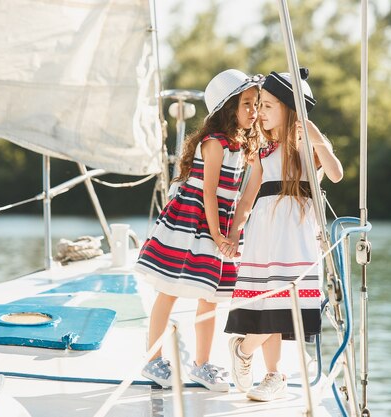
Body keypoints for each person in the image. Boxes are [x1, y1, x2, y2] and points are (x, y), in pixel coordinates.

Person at [135, 69, 261, 392]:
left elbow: (241, 193)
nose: (253, 110)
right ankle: (153, 358)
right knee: (170, 288)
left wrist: (231, 233)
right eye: (247, 104)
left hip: (217, 225)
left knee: (212, 296)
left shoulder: (242, 144)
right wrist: (218, 235)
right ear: (227, 108)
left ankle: (202, 364)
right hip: (191, 225)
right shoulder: (215, 144)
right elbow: (208, 193)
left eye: (256, 103)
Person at [223, 68, 343, 401]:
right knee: (268, 303)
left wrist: (317, 138)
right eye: (259, 105)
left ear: (289, 109)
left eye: (268, 106)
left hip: (299, 235)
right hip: (265, 233)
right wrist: (233, 233)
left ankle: (244, 349)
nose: (260, 112)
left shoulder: (309, 143)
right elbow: (248, 196)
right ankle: (274, 374)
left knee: (286, 302)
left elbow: (335, 174)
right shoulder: (262, 150)